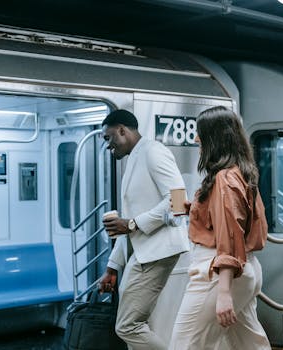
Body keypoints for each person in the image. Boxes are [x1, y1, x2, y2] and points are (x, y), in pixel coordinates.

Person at [169, 106, 271, 350]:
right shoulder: (242, 173)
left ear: (214, 138)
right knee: (249, 344)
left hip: (218, 273)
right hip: (246, 268)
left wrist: (224, 292)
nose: (196, 139)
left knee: (184, 344)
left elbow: (229, 236)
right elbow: (241, 220)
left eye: (201, 133)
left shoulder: (224, 179)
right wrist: (197, 208)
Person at [98, 109, 190, 350]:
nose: (108, 146)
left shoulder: (153, 151)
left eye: (109, 138)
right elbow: (130, 223)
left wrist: (131, 223)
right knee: (136, 325)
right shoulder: (135, 158)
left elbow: (179, 201)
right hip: (144, 252)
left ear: (122, 130)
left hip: (157, 252)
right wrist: (113, 266)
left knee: (128, 326)